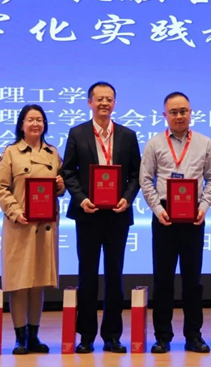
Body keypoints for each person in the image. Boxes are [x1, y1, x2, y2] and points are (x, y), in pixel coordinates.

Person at [62, 81, 141, 354]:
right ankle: (86, 336)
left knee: (114, 276)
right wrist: (81, 198)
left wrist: (127, 198)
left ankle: (112, 336)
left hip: (117, 215)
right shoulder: (77, 133)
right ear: (90, 102)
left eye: (109, 99)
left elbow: (136, 174)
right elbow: (68, 171)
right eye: (99, 99)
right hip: (88, 214)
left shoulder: (127, 135)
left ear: (114, 103)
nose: (104, 103)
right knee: (87, 276)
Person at [140, 92, 211, 354]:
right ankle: (162, 337)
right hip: (164, 216)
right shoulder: (154, 143)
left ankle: (193, 336)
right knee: (163, 280)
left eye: (183, 111)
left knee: (192, 281)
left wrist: (203, 207)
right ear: (165, 115)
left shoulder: (205, 143)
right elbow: (145, 179)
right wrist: (157, 209)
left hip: (193, 217)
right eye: (173, 112)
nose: (179, 116)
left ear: (191, 112)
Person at [0, 104, 65, 355]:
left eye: (39, 120)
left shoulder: (52, 153)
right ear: (21, 125)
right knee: (19, 283)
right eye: (30, 120)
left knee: (38, 283)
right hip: (20, 226)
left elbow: (60, 187)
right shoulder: (11, 152)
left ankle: (34, 336)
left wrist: (60, 185)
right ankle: (20, 338)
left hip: (45, 227)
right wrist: (15, 212)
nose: (35, 124)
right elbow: (1, 187)